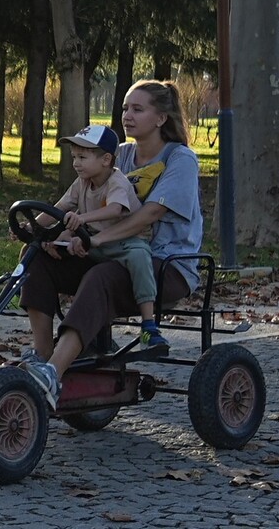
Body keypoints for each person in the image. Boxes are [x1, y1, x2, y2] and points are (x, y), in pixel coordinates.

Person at [19, 80, 203, 408]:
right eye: (125, 109)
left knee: (102, 276)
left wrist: (95, 239)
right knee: (36, 258)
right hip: (108, 253)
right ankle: (42, 356)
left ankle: (53, 374)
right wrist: (39, 230)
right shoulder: (118, 156)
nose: (127, 116)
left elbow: (151, 212)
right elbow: (73, 199)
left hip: (165, 266)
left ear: (160, 118)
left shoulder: (181, 159)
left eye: (138, 109)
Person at [51, 124, 167, 351]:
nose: (76, 163)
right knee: (53, 248)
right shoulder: (81, 182)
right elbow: (61, 207)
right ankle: (52, 340)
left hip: (126, 241)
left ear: (105, 160)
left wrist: (82, 219)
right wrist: (34, 224)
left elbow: (115, 209)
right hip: (95, 240)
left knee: (140, 257)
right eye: (74, 157)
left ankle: (148, 325)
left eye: (82, 157)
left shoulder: (117, 181)